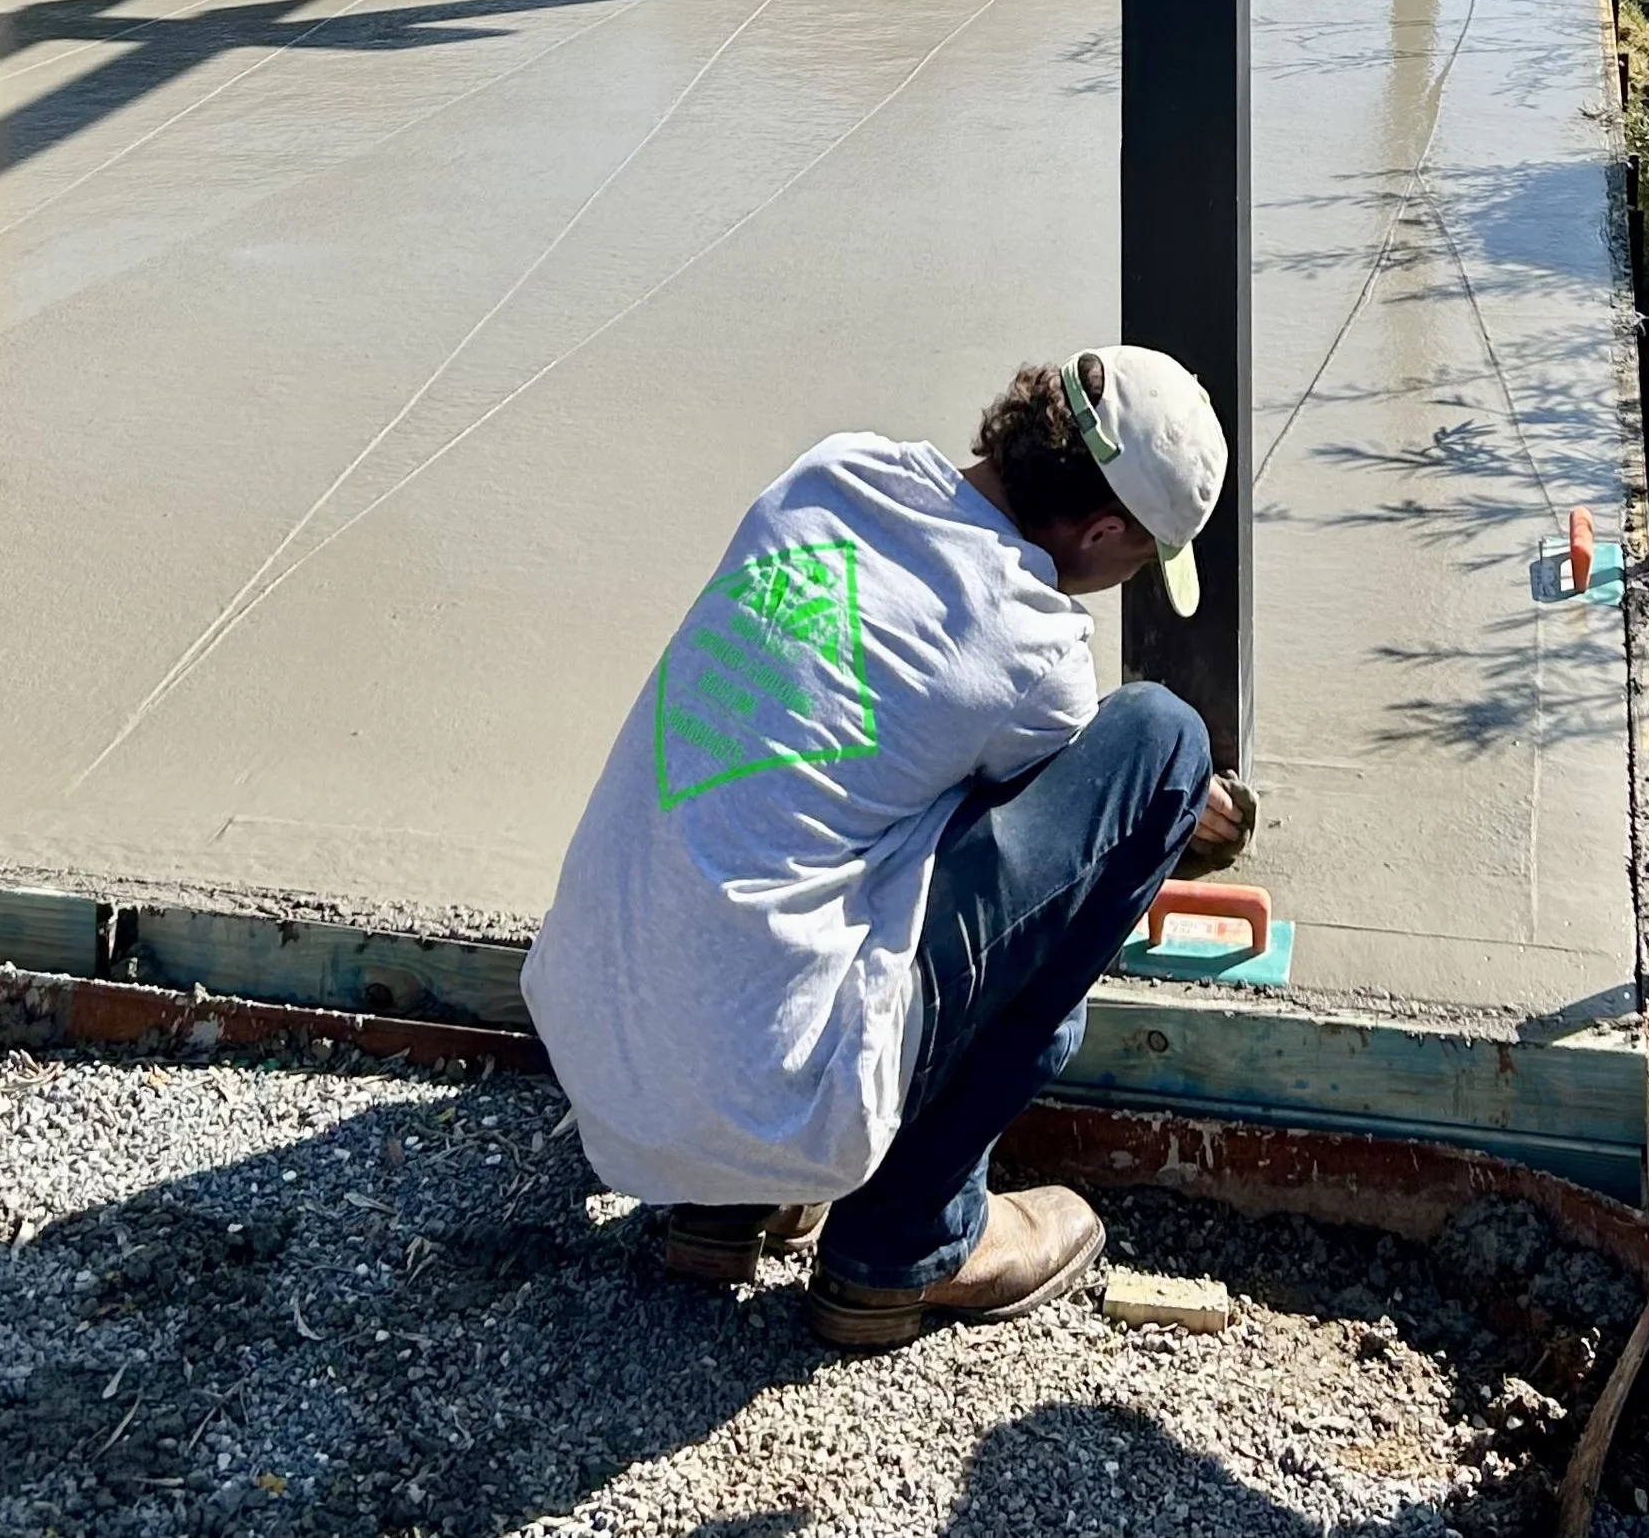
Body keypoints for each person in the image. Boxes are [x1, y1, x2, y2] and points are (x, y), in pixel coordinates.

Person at [523, 345, 1245, 1351]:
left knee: (793, 791)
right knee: (1162, 740)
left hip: (604, 1057)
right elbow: (1049, 844)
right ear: (1103, 530)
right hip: (754, 1091)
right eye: (1134, 562)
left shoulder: (827, 473)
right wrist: (1179, 813)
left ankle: (727, 1209)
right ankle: (912, 1238)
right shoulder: (1034, 647)